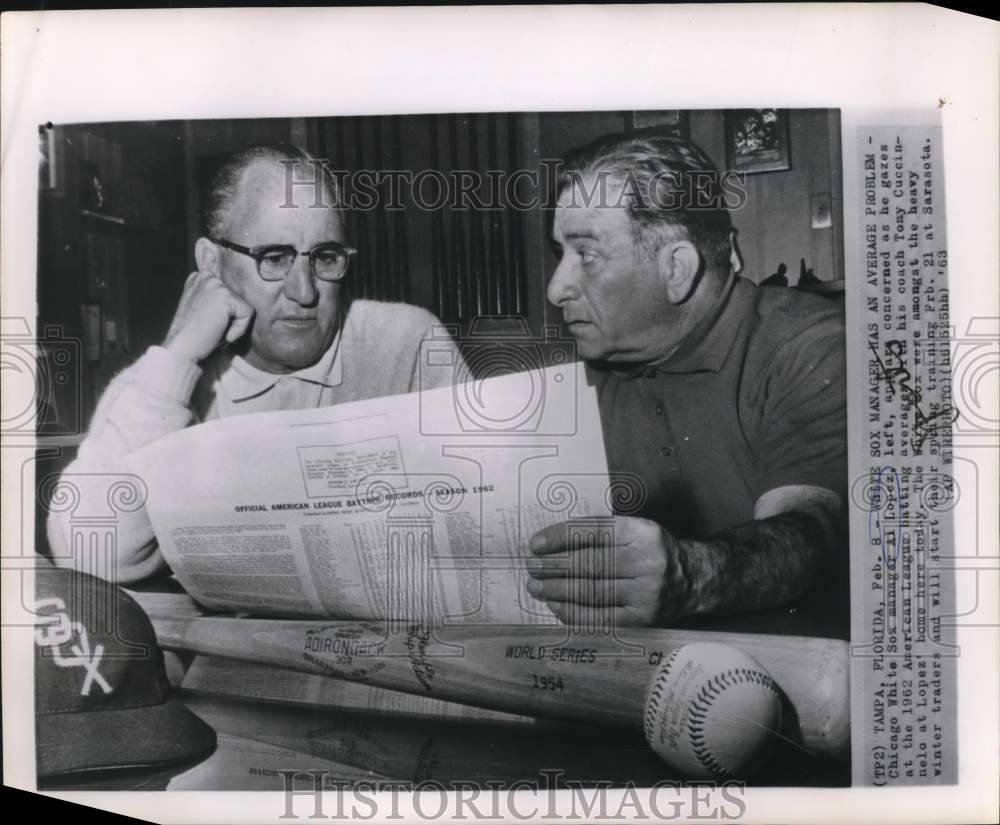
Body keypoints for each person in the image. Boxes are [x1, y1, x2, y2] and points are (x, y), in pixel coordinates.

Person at [47, 143, 463, 583]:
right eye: (275, 258)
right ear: (211, 262)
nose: (304, 292)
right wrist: (177, 356)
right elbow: (87, 555)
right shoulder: (158, 385)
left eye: (324, 257)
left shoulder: (408, 343)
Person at [526, 131, 847, 628]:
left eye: (585, 255)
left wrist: (689, 575)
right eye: (558, 254)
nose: (556, 289)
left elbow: (815, 533)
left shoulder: (811, 345)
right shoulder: (571, 386)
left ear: (676, 268)